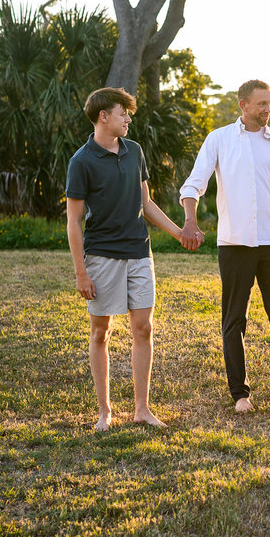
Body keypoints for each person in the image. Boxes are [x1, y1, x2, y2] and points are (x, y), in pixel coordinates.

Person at [65, 87, 191, 431]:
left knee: (143, 327)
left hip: (139, 251)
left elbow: (146, 204)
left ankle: (141, 409)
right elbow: (73, 221)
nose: (128, 119)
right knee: (101, 331)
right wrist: (81, 273)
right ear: (103, 116)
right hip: (102, 254)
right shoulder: (81, 161)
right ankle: (105, 411)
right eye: (123, 113)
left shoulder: (135, 151)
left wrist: (178, 232)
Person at [179, 79, 270, 413]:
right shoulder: (218, 139)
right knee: (235, 318)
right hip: (234, 243)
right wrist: (190, 220)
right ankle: (240, 394)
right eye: (262, 104)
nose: (268, 109)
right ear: (243, 105)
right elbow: (194, 183)